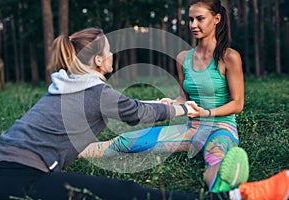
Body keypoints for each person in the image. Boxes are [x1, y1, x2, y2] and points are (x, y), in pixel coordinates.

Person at [0, 27, 201, 200]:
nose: (111, 55)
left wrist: (156, 102)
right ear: (98, 60)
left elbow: (116, 104)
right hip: (22, 177)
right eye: (108, 50)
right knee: (125, 191)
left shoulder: (69, 83)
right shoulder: (95, 92)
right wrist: (182, 108)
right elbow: (135, 113)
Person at [80, 0, 249, 194]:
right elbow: (184, 98)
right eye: (191, 19)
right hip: (191, 130)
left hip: (221, 128)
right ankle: (72, 151)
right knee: (125, 142)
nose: (193, 25)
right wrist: (170, 104)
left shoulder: (229, 57)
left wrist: (207, 112)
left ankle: (228, 189)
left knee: (216, 161)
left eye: (200, 19)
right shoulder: (184, 58)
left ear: (216, 19)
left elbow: (238, 104)